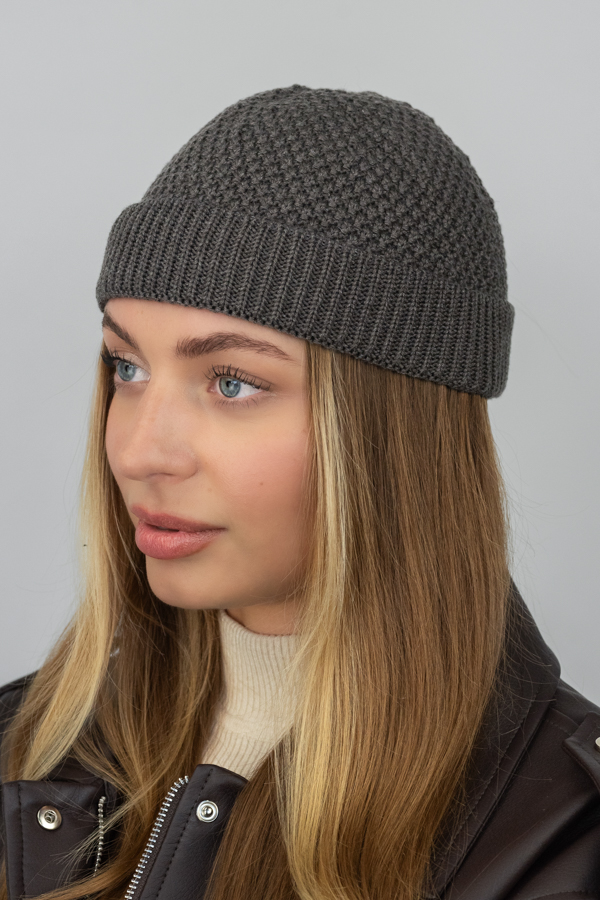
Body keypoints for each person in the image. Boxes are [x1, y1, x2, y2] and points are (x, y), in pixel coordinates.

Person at [0, 85, 599, 900]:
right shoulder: (28, 746)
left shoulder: (565, 841)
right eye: (127, 367)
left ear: (393, 436)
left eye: (233, 381)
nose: (138, 451)